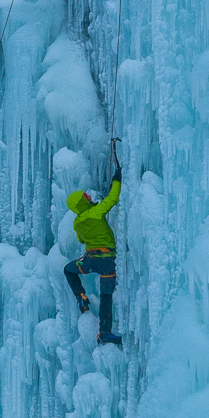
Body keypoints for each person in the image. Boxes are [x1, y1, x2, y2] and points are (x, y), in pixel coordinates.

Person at [63, 144, 124, 345]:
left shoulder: (77, 222)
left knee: (69, 270)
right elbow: (113, 199)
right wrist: (117, 179)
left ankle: (81, 296)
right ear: (82, 202)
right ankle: (105, 332)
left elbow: (82, 240)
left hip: (89, 260)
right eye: (85, 197)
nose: (88, 197)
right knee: (106, 296)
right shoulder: (95, 212)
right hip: (108, 261)